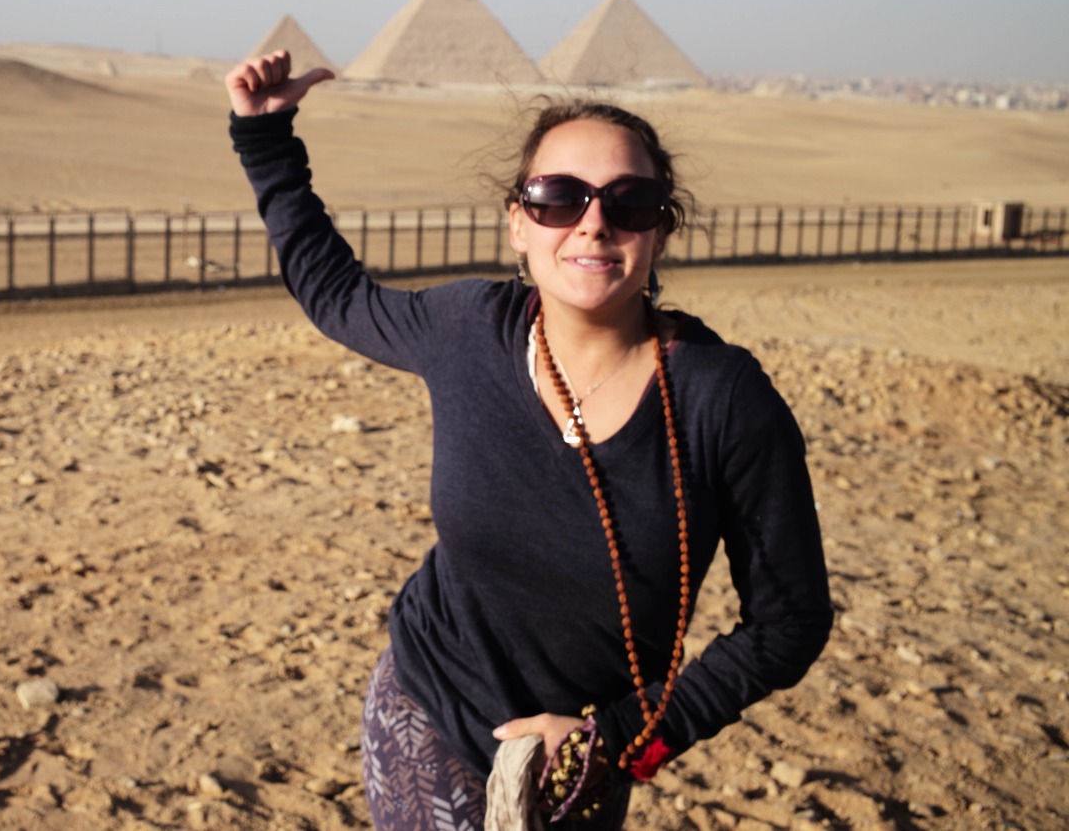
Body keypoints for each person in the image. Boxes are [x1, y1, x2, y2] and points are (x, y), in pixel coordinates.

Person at [226, 51, 833, 830]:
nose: (593, 221)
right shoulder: (468, 331)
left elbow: (788, 622)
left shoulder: (723, 399)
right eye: (558, 197)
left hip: (585, 759)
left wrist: (616, 739)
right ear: (517, 220)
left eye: (630, 200)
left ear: (661, 230)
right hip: (429, 706)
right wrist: (266, 137)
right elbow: (335, 291)